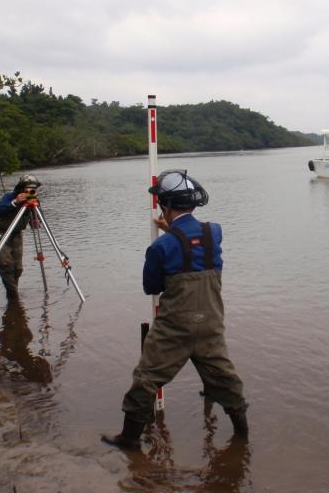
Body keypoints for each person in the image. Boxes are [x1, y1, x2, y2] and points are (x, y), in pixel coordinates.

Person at [102, 169, 248, 450]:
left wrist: (168, 235)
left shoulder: (160, 247)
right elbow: (194, 242)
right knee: (225, 379)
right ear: (193, 204)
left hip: (175, 328)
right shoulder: (214, 232)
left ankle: (129, 440)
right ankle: (242, 436)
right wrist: (174, 231)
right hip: (211, 324)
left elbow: (151, 288)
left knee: (146, 379)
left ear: (164, 206)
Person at [0, 175, 41, 298]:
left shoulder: (33, 201)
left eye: (32, 189)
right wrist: (16, 202)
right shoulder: (10, 196)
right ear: (20, 188)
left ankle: (13, 296)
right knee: (6, 265)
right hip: (1, 233)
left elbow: (36, 222)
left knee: (18, 268)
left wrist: (36, 221)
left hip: (16, 234)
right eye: (27, 188)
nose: (29, 191)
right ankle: (13, 296)